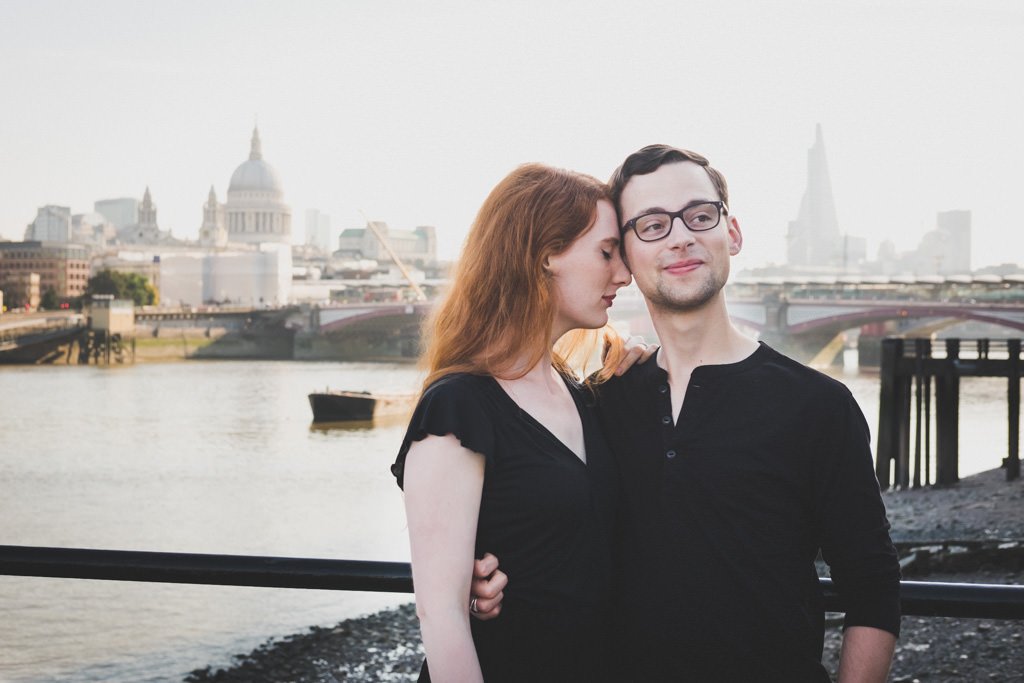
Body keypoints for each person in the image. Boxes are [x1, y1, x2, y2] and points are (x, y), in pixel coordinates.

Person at [473, 146, 902, 682]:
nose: (680, 236)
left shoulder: (818, 406)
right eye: (651, 225)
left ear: (733, 232)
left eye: (700, 216)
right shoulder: (599, 402)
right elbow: (537, 522)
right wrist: (472, 578)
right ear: (623, 256)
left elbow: (873, 587)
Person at [391, 163, 632, 682]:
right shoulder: (458, 407)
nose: (625, 274)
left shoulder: (582, 395)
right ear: (546, 253)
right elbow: (441, 616)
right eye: (607, 253)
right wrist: (473, 598)